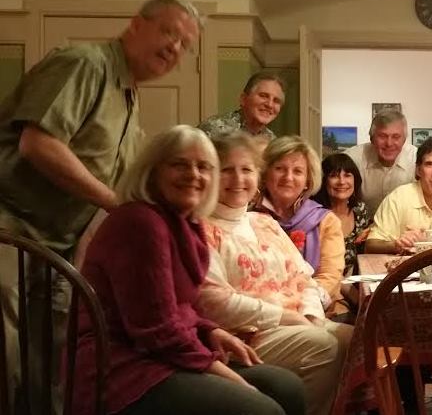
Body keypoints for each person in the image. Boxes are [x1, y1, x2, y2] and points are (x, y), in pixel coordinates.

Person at [0, 0, 201, 412]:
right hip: (11, 233)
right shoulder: (86, 63)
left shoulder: (128, 97)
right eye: (169, 32)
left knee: (53, 368)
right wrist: (117, 205)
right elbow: (38, 144)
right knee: (8, 360)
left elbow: (131, 182)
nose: (174, 48)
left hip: (60, 247)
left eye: (185, 45)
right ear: (135, 26)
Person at [72, 125, 305, 415]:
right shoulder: (140, 222)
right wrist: (227, 375)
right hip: (123, 368)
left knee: (286, 386)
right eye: (179, 164)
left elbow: (182, 306)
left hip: (163, 356)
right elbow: (156, 329)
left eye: (204, 167)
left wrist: (212, 329)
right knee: (261, 409)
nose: (194, 174)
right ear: (152, 171)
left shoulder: (183, 222)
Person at [198, 132, 352, 415]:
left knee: (356, 340)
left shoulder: (263, 222)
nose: (238, 179)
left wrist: (309, 317)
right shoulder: (201, 226)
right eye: (227, 170)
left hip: (293, 322)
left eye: (246, 170)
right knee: (323, 346)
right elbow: (213, 302)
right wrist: (289, 318)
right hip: (244, 333)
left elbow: (303, 278)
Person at [254, 136, 346, 316]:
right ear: (265, 175)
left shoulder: (326, 221)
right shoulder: (250, 218)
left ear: (307, 182)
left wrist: (301, 307)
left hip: (321, 311)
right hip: (263, 311)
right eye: (280, 168)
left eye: (297, 171)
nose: (288, 177)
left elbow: (329, 277)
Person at [344, 110, 417, 213]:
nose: (389, 143)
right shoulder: (353, 159)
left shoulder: (417, 160)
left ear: (404, 140)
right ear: (372, 138)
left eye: (396, 137)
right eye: (382, 136)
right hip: (363, 226)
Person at [311, 153, 371, 276]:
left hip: (355, 281)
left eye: (347, 175)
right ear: (323, 181)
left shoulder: (360, 210)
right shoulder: (313, 215)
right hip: (322, 282)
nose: (342, 182)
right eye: (334, 176)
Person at [199, 71, 286, 140]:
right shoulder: (214, 129)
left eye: (276, 101)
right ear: (243, 99)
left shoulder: (272, 141)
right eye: (263, 96)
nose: (270, 105)